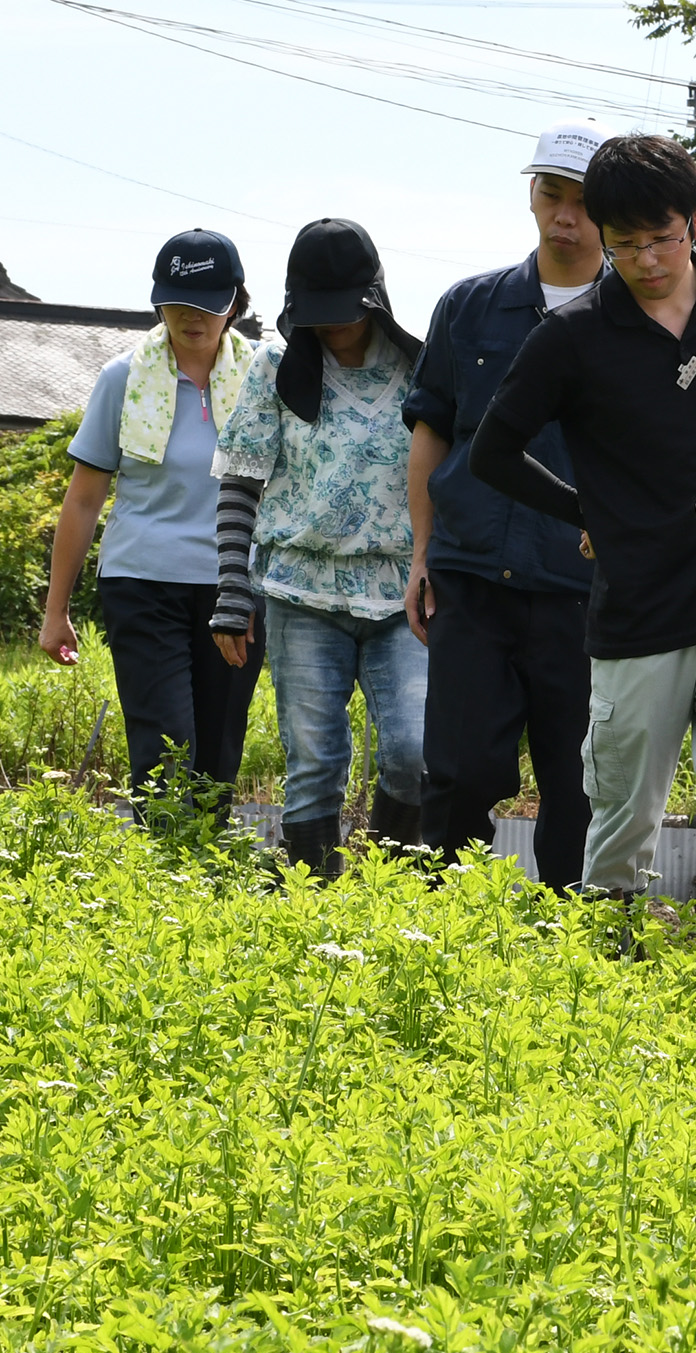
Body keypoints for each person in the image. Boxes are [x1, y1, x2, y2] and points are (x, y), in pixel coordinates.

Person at [470, 134, 696, 937]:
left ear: (695, 221)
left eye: (662, 238)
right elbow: (491, 451)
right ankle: (608, 958)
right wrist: (589, 513)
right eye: (624, 245)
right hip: (637, 607)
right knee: (620, 808)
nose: (647, 260)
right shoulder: (574, 334)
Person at [402, 119, 609, 892]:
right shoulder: (470, 306)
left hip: (582, 588)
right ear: (530, 194)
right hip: (472, 575)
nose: (565, 216)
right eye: (551, 194)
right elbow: (431, 436)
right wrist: (421, 557)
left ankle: (575, 937)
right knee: (456, 770)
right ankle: (443, 932)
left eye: (584, 203)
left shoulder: (633, 316)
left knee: (579, 780)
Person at [210, 218, 425, 877]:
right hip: (301, 594)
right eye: (319, 315)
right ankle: (314, 904)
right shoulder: (275, 368)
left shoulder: (420, 368)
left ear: (375, 300)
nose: (334, 328)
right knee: (314, 759)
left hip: (400, 597)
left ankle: (389, 891)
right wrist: (230, 588)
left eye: (346, 314)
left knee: (414, 753)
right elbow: (241, 484)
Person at [39, 228, 263, 809]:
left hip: (234, 588)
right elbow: (84, 499)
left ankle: (202, 891)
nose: (191, 317)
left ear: (235, 303)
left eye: (208, 303)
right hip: (142, 583)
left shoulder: (266, 380)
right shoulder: (122, 379)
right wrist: (55, 611)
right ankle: (159, 878)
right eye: (177, 302)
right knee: (165, 748)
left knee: (217, 756)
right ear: (158, 301)